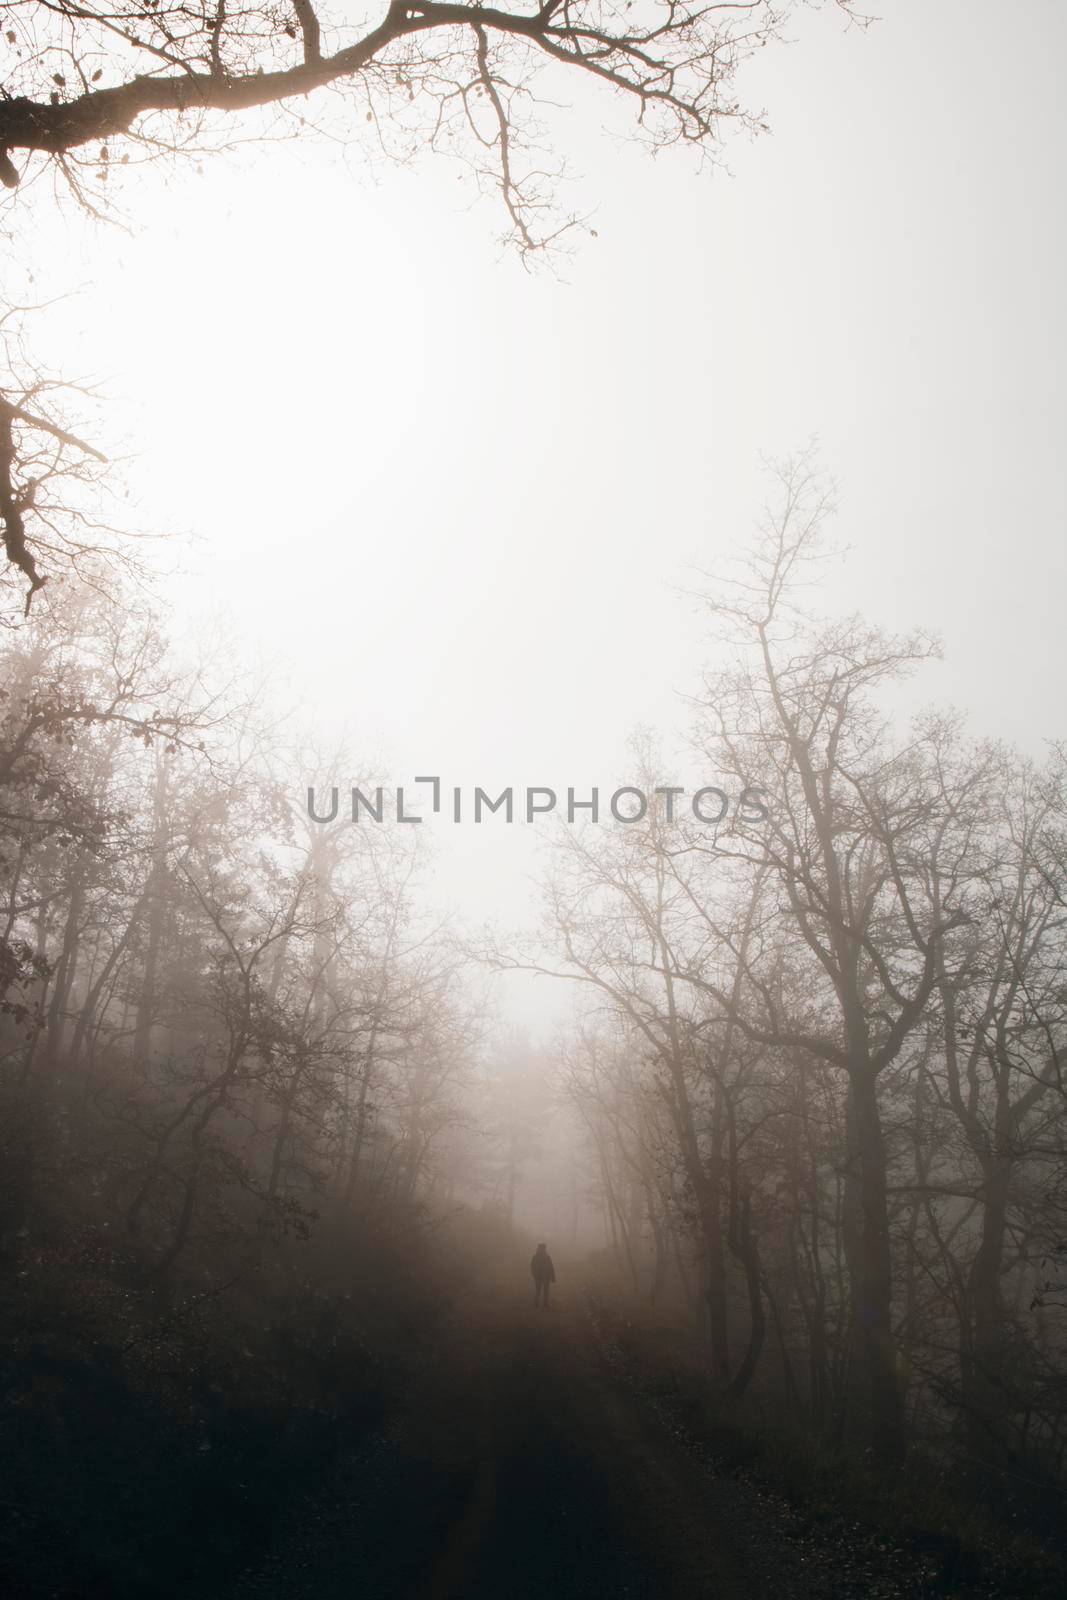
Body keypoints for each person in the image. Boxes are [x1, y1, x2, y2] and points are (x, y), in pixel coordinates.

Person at [531, 1242, 556, 1307]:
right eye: (544, 1248)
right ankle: (542, 1304)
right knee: (543, 1290)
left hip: (542, 1276)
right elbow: (551, 1267)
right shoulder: (546, 1257)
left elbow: (550, 1267)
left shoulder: (537, 1257)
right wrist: (553, 1277)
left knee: (540, 1290)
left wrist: (553, 1276)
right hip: (543, 1276)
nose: (544, 1249)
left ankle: (539, 1304)